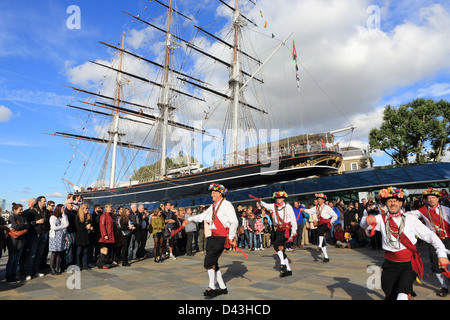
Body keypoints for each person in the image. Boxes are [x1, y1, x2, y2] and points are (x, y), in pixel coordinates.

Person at [361, 187, 450, 300]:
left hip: (409, 263)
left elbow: (431, 235)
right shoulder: (380, 219)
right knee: (389, 293)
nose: (393, 203)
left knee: (403, 291)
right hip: (389, 264)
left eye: (396, 201)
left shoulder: (410, 219)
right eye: (390, 201)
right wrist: (366, 220)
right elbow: (363, 224)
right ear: (385, 204)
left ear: (401, 202)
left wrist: (441, 254)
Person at [182, 183, 238, 297]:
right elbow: (202, 216)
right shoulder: (213, 206)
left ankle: (212, 287)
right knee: (213, 262)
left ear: (220, 194)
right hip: (213, 237)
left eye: (214, 192)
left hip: (221, 237)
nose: (211, 194)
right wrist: (190, 220)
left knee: (208, 262)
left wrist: (231, 237)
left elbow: (234, 222)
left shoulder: (227, 205)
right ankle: (222, 287)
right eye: (211, 192)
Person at [407, 187, 450, 297]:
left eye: (433, 197)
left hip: (448, 239)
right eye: (429, 198)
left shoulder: (446, 209)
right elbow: (409, 215)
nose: (431, 199)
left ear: (438, 198)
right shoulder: (422, 210)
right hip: (434, 241)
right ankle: (444, 287)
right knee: (436, 265)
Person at [259, 191, 298, 277]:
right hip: (279, 229)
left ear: (283, 198)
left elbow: (293, 218)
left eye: (280, 198)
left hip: (287, 229)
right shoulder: (274, 206)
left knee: (276, 244)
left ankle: (283, 264)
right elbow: (265, 205)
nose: (278, 199)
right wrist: (260, 201)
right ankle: (288, 270)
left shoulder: (288, 206)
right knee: (280, 248)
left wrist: (294, 230)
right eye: (277, 198)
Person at [301, 193, 338, 263]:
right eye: (318, 199)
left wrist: (331, 222)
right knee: (320, 233)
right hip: (320, 224)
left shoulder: (327, 207)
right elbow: (310, 211)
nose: (319, 200)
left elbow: (335, 216)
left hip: (326, 223)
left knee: (320, 232)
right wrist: (304, 210)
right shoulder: (316, 207)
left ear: (324, 200)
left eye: (321, 199)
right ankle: (326, 257)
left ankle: (320, 245)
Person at [24, 196, 49, 281]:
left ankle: (36, 271)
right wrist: (36, 222)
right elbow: (27, 223)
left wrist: (46, 231)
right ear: (39, 202)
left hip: (43, 234)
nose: (45, 202)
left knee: (39, 254)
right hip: (35, 235)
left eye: (45, 201)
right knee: (32, 254)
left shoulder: (45, 211)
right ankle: (28, 273)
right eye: (44, 201)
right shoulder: (32, 212)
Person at [5, 203, 29, 284]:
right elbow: (15, 226)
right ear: (14, 210)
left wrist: (21, 225)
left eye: (22, 209)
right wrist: (24, 225)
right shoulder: (12, 216)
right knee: (12, 258)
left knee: (17, 258)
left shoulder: (22, 217)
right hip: (13, 239)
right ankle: (9, 276)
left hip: (21, 239)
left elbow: (27, 225)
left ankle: (13, 275)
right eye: (20, 210)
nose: (21, 211)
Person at [49, 204, 69, 275]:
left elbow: (66, 224)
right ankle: (52, 268)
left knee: (59, 252)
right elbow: (53, 227)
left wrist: (63, 215)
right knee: (54, 252)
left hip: (61, 236)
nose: (64, 209)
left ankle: (58, 267)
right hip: (54, 237)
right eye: (62, 208)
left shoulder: (64, 216)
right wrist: (62, 226)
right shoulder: (53, 217)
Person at [75, 204, 93, 270]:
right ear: (82, 209)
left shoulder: (88, 217)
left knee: (85, 251)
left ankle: (84, 265)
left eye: (88, 208)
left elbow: (91, 224)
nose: (87, 209)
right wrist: (86, 227)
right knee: (79, 252)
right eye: (86, 208)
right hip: (80, 236)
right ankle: (78, 265)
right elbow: (78, 227)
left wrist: (91, 227)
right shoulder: (78, 217)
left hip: (86, 236)